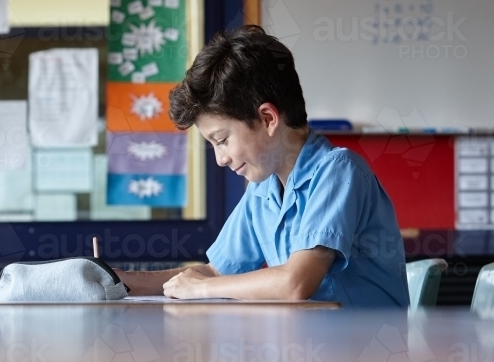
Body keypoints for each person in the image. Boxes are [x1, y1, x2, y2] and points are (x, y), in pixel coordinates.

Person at [115, 25, 409, 307]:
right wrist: (121, 281)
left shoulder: (339, 171)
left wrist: (201, 288)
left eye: (222, 140)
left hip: (361, 354)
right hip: (307, 349)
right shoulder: (263, 189)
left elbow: (295, 283)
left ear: (268, 119)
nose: (221, 158)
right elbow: (216, 272)